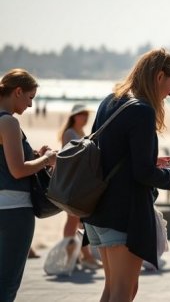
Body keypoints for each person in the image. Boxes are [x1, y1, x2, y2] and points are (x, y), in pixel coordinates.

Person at [81, 48, 170, 301]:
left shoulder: (111, 100)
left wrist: (151, 162)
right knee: (123, 292)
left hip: (97, 210)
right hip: (122, 213)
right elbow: (143, 174)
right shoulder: (142, 110)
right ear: (159, 76)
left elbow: (107, 155)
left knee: (113, 290)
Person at [0, 69, 57, 302]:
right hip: (15, 212)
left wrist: (33, 154)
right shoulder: (8, 122)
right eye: (30, 98)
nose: (31, 106)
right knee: (7, 285)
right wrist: (46, 159)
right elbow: (18, 170)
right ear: (18, 91)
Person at [58, 103, 103, 270]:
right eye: (81, 114)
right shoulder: (69, 133)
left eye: (86, 115)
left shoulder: (81, 132)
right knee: (73, 220)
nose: (84, 118)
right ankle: (75, 256)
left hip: (80, 181)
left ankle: (80, 255)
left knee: (78, 220)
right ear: (74, 116)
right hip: (73, 182)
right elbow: (69, 158)